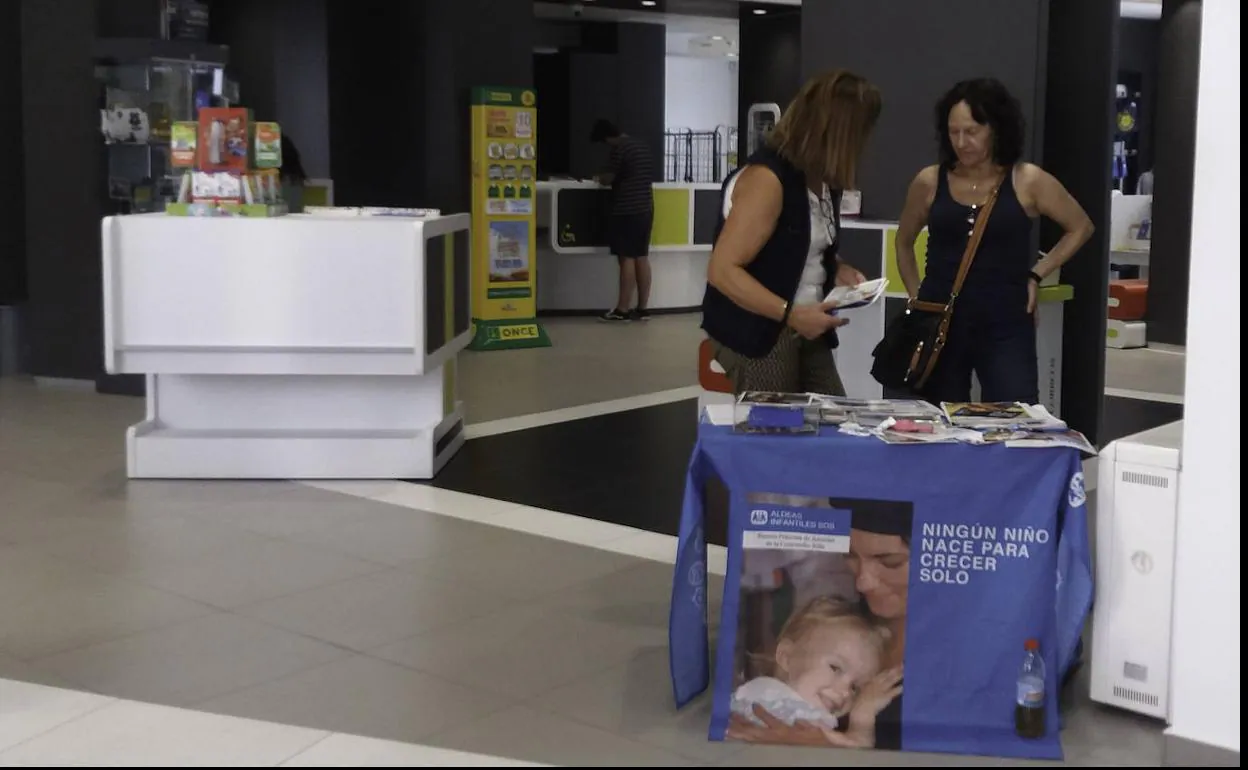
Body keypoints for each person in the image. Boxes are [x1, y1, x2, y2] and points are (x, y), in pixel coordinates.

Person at [894, 78, 1094, 405]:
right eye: (953, 131)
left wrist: (1036, 273)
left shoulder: (1027, 180)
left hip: (1005, 319)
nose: (961, 141)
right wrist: (917, 299)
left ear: (996, 129)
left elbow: (1080, 227)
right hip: (942, 317)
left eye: (972, 131)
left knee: (1014, 415)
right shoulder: (929, 181)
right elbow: (904, 242)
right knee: (939, 417)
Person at [701, 69, 882, 397]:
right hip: (759, 332)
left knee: (831, 423)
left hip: (805, 327)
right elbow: (722, 270)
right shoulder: (767, 180)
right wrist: (790, 314)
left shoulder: (822, 179)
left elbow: (796, 241)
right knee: (777, 432)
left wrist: (836, 267)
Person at [730, 597, 902, 749]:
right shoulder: (782, 707)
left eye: (855, 688)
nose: (844, 692)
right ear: (787, 657)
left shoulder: (764, 694)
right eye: (835, 668)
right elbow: (855, 752)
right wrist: (861, 721)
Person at [591, 120, 657, 323]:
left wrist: (598, 178)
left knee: (626, 257)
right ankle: (643, 309)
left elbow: (608, 178)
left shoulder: (619, 149)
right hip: (646, 207)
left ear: (608, 137)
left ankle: (622, 310)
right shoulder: (643, 147)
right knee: (641, 256)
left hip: (626, 209)